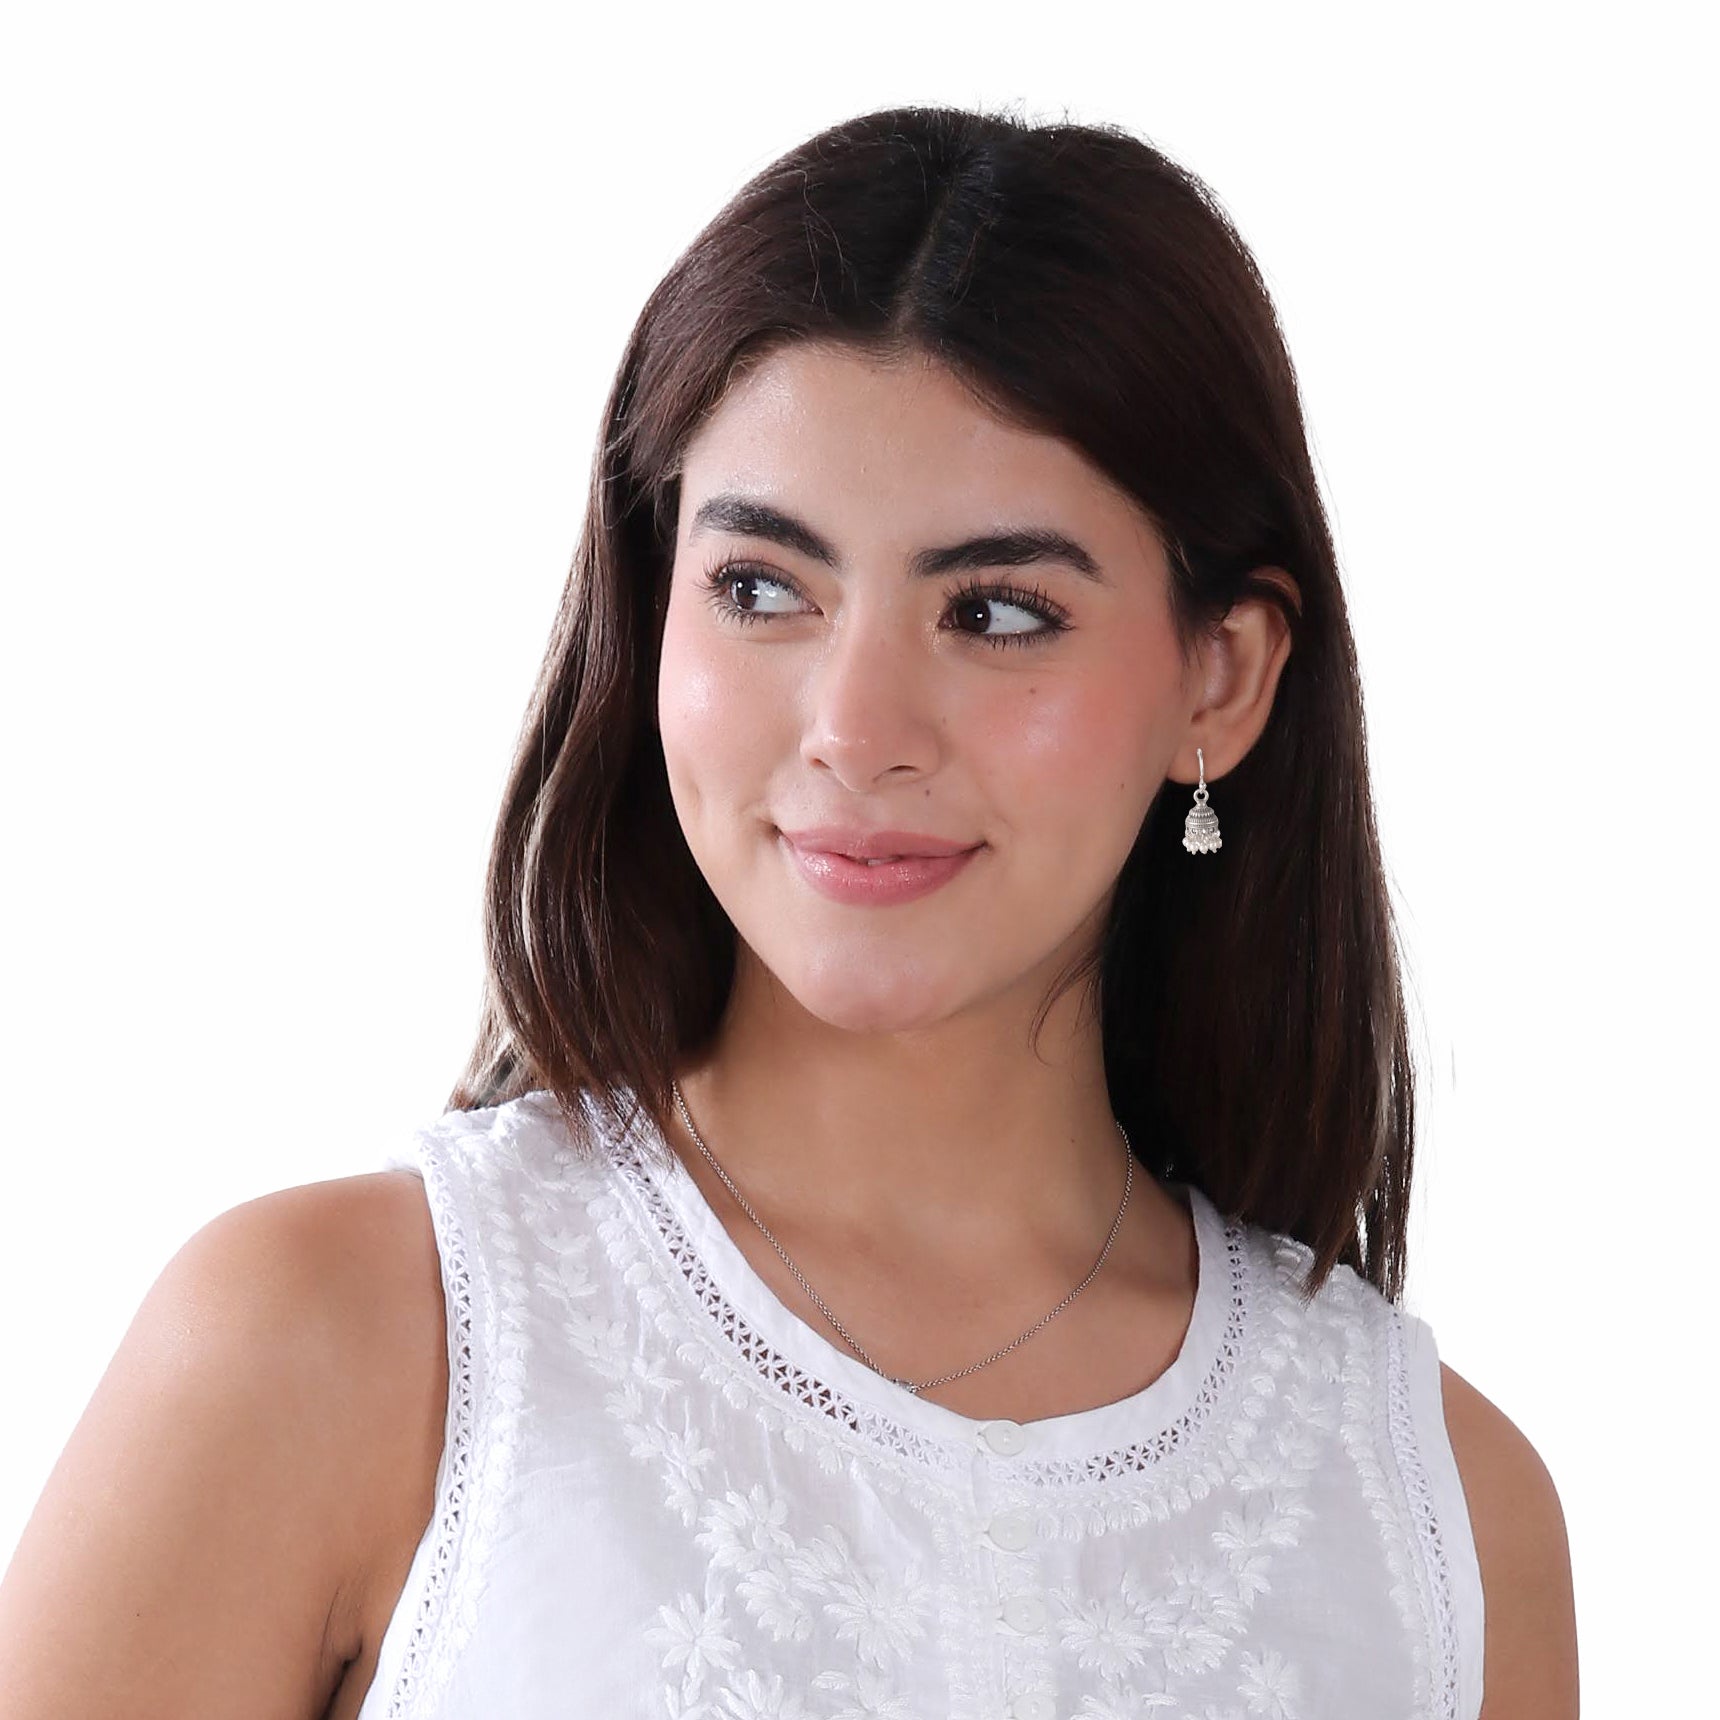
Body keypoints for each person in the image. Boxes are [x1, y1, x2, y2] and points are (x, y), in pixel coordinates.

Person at [0, 104, 1578, 1719]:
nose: (854, 727)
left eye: (997, 612)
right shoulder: (340, 1348)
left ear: (1220, 677)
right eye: (762, 588)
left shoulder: (1444, 1522)